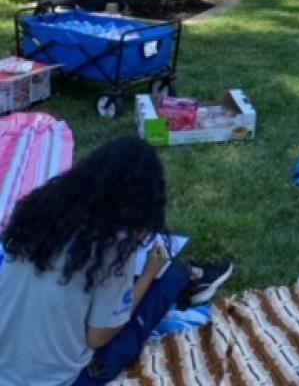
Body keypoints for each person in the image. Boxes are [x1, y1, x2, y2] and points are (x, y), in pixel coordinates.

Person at [0, 136, 233, 386]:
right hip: (61, 380)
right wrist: (146, 276)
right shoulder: (113, 245)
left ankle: (189, 277)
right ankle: (190, 277)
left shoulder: (43, 211)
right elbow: (98, 338)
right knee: (168, 278)